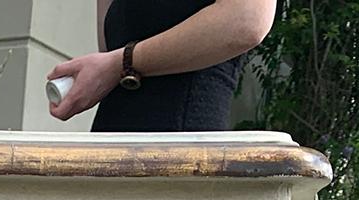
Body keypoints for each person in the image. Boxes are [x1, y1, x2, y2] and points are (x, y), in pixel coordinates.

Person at [48, 0, 275, 133]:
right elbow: (111, 43)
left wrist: (121, 62)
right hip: (114, 141)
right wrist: (112, 65)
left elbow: (247, 19)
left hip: (179, 150)